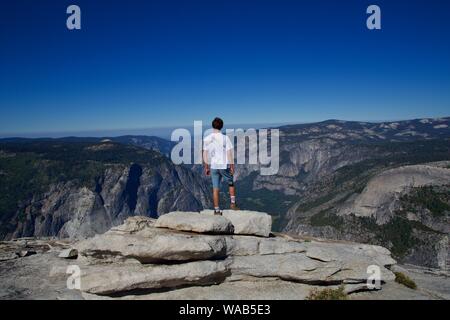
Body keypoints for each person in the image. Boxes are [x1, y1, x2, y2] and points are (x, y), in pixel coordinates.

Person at [203, 117, 239, 215]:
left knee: (215, 188)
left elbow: (205, 154)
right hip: (223, 166)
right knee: (231, 183)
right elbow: (229, 153)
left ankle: (217, 210)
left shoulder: (207, 139)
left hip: (213, 166)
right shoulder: (225, 138)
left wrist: (206, 167)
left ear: (212, 126)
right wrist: (232, 166)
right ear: (221, 126)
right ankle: (232, 204)